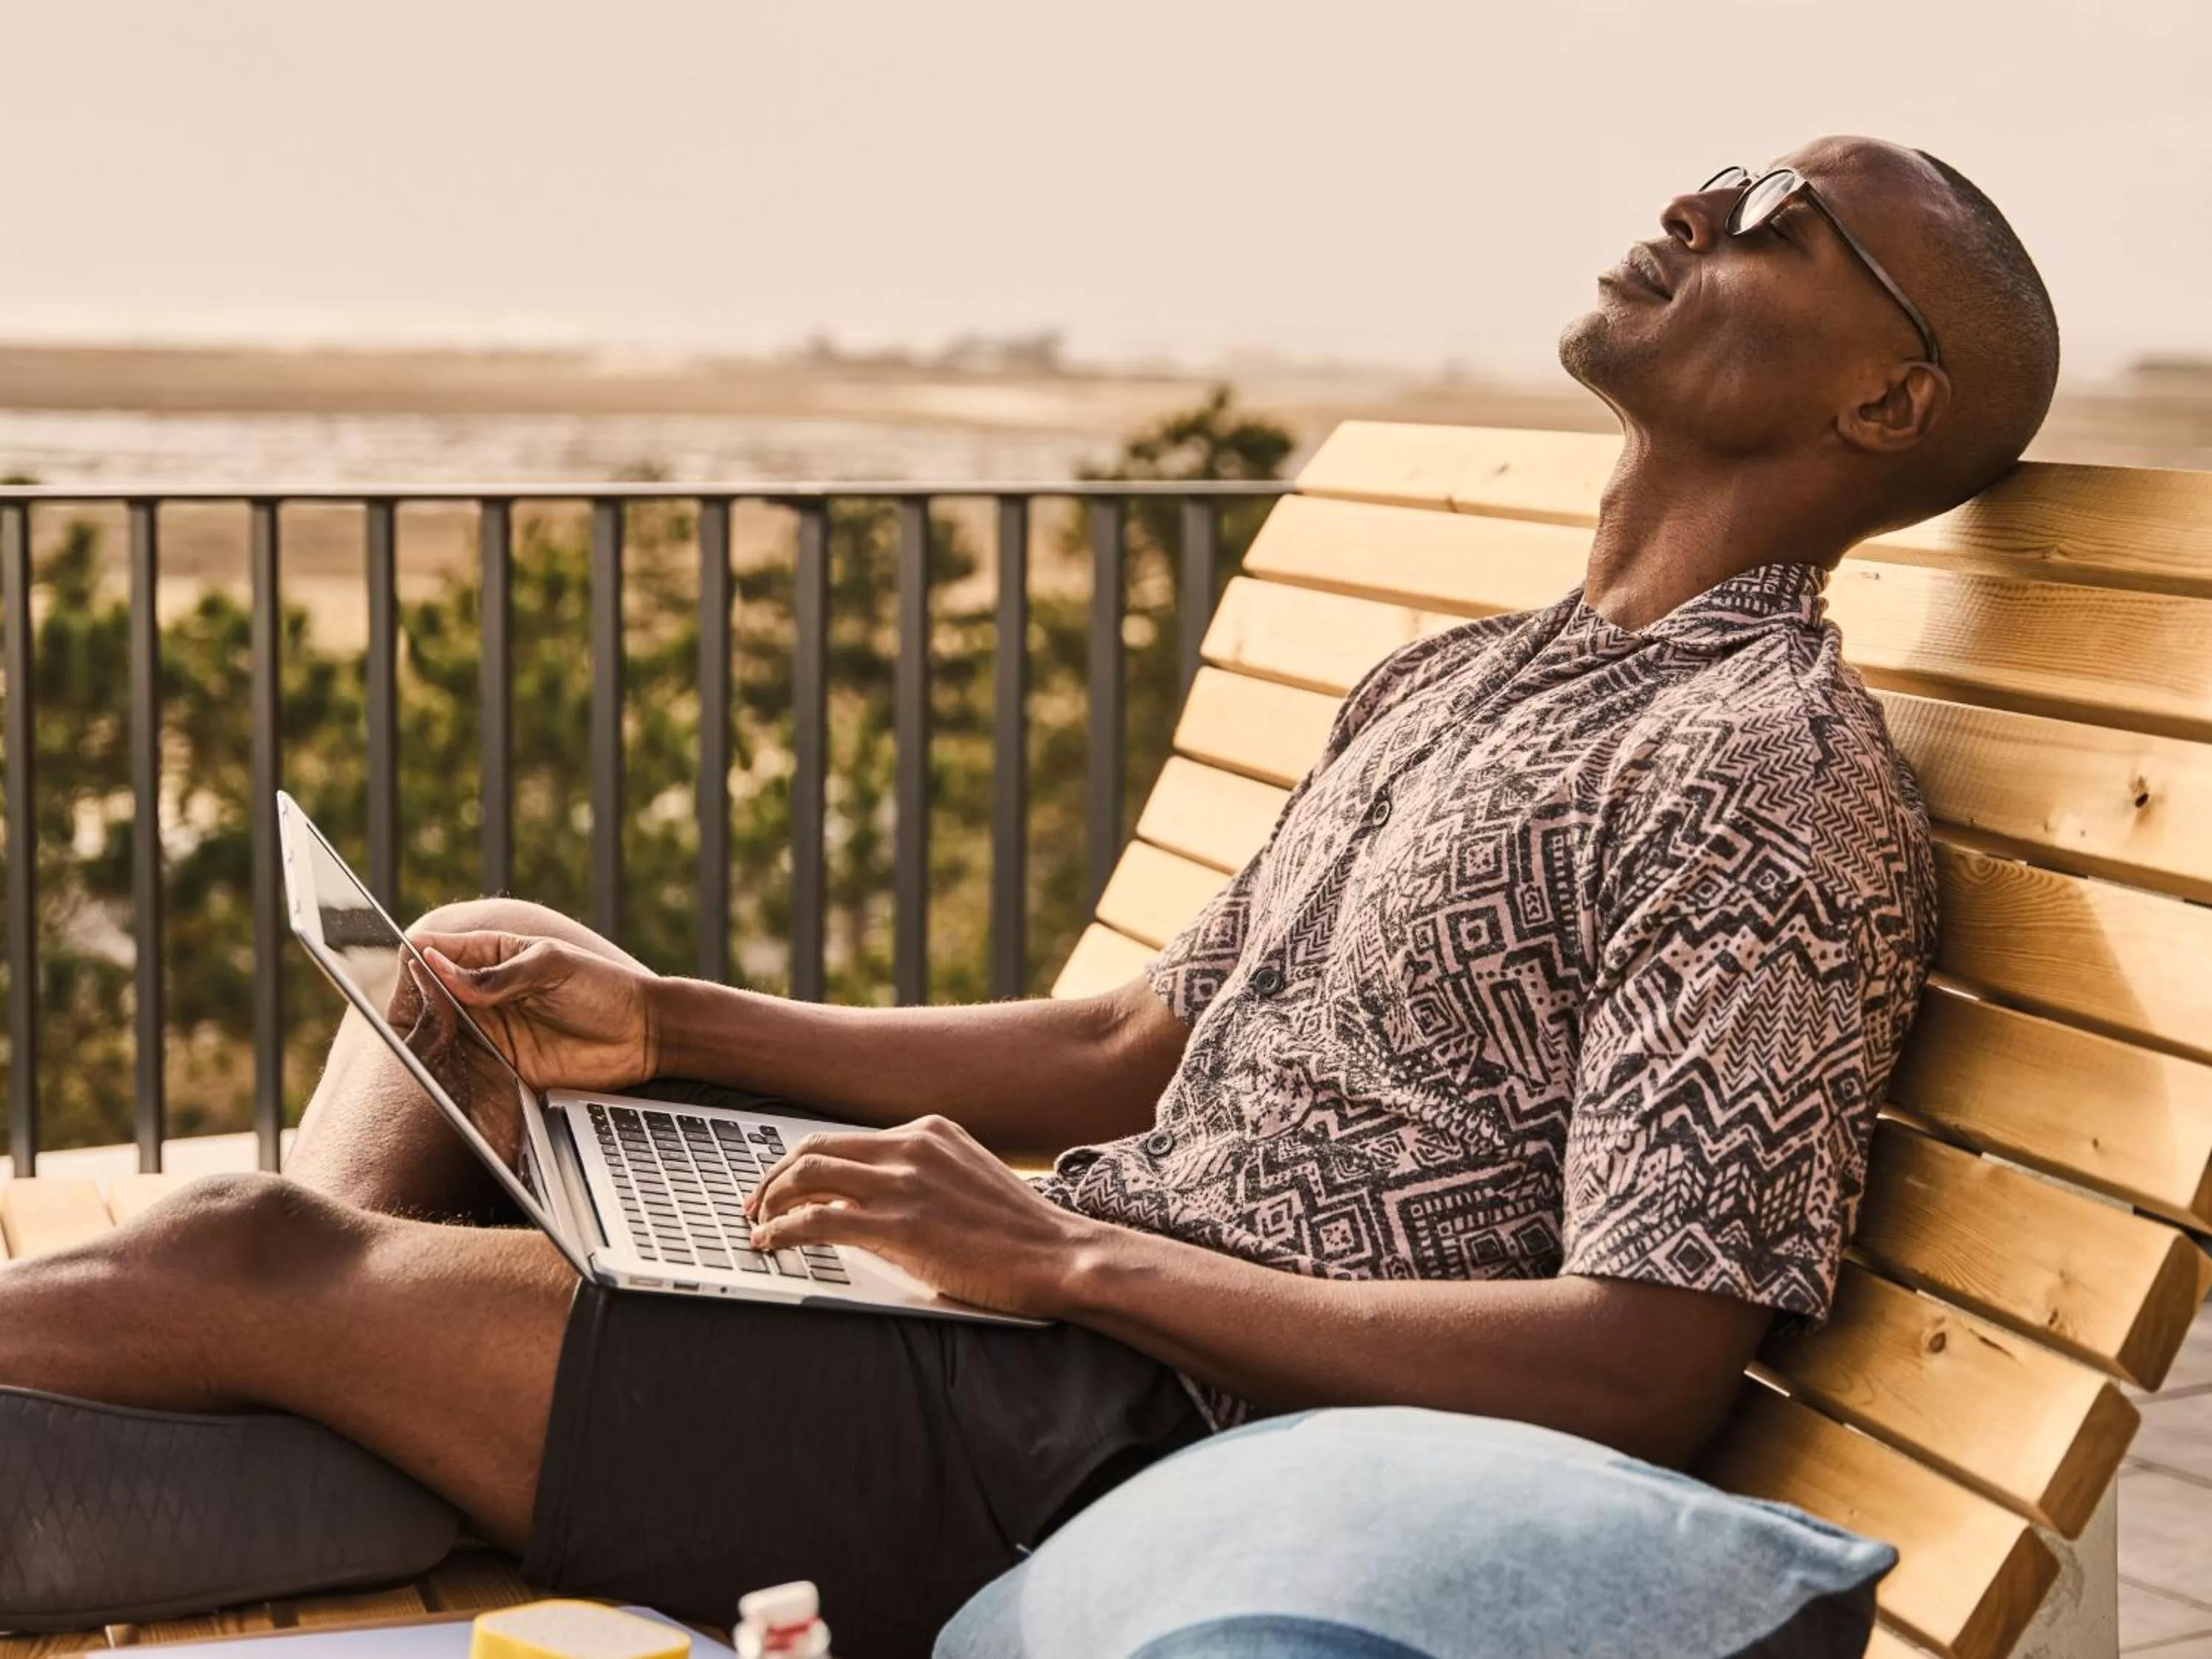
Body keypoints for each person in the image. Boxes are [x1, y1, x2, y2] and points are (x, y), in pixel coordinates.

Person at [0, 136, 2059, 1657]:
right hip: (1005, 1316)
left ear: (1885, 404)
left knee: (258, 1253)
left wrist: (1065, 1271)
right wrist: (678, 1024)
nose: (1698, 205)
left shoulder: (1766, 780)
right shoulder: (1466, 675)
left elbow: (1644, 1361)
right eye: (1716, 174)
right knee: (462, 989)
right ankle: (338, 1399)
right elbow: (1131, 1042)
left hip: (1077, 1424)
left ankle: (271, 1364)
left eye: (1781, 212)